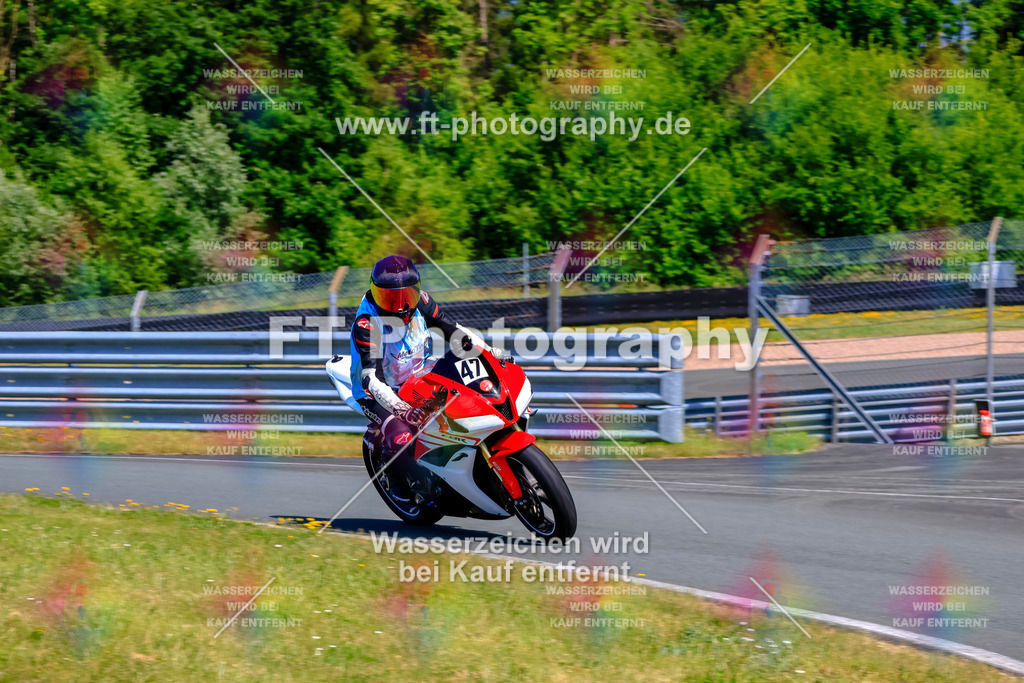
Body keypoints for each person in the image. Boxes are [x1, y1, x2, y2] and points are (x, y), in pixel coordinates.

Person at [349, 255, 512, 466]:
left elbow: (452, 331)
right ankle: (403, 487)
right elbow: (372, 379)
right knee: (403, 438)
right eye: (389, 298)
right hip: (376, 392)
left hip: (418, 374)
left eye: (406, 296)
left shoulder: (422, 301)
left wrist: (491, 353)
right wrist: (403, 410)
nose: (400, 306)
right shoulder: (367, 324)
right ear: (375, 292)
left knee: (466, 406)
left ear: (416, 290)